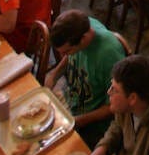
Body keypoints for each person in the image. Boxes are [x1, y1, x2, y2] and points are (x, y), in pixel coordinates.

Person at [47, 10, 126, 147]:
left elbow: (114, 107)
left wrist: (78, 121)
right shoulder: (81, 27)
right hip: (73, 103)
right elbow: (69, 56)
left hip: (94, 125)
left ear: (83, 38)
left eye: (66, 51)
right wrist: (54, 75)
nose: (63, 55)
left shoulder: (109, 55)